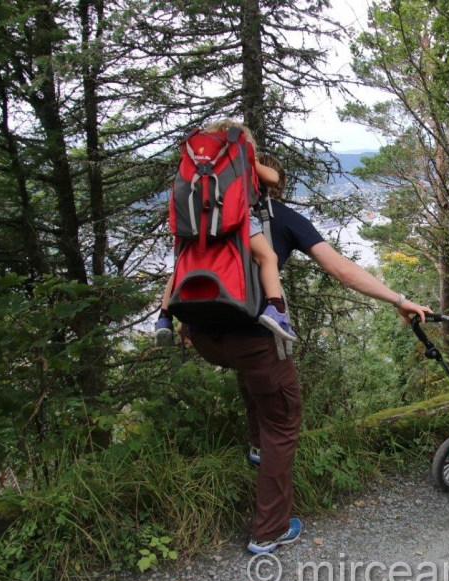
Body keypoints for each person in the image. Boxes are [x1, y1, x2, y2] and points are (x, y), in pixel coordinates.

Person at [181, 150, 431, 555]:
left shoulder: (201, 214)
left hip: (205, 337)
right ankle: (269, 530)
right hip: (253, 339)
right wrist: (398, 299)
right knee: (282, 424)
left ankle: (257, 449)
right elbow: (341, 269)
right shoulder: (279, 217)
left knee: (251, 378)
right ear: (268, 182)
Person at [155, 121, 296, 346]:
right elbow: (273, 178)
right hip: (236, 221)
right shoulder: (240, 152)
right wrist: (252, 160)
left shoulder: (196, 160)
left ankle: (164, 318)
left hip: (196, 224)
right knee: (268, 257)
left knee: (181, 267)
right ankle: (275, 308)